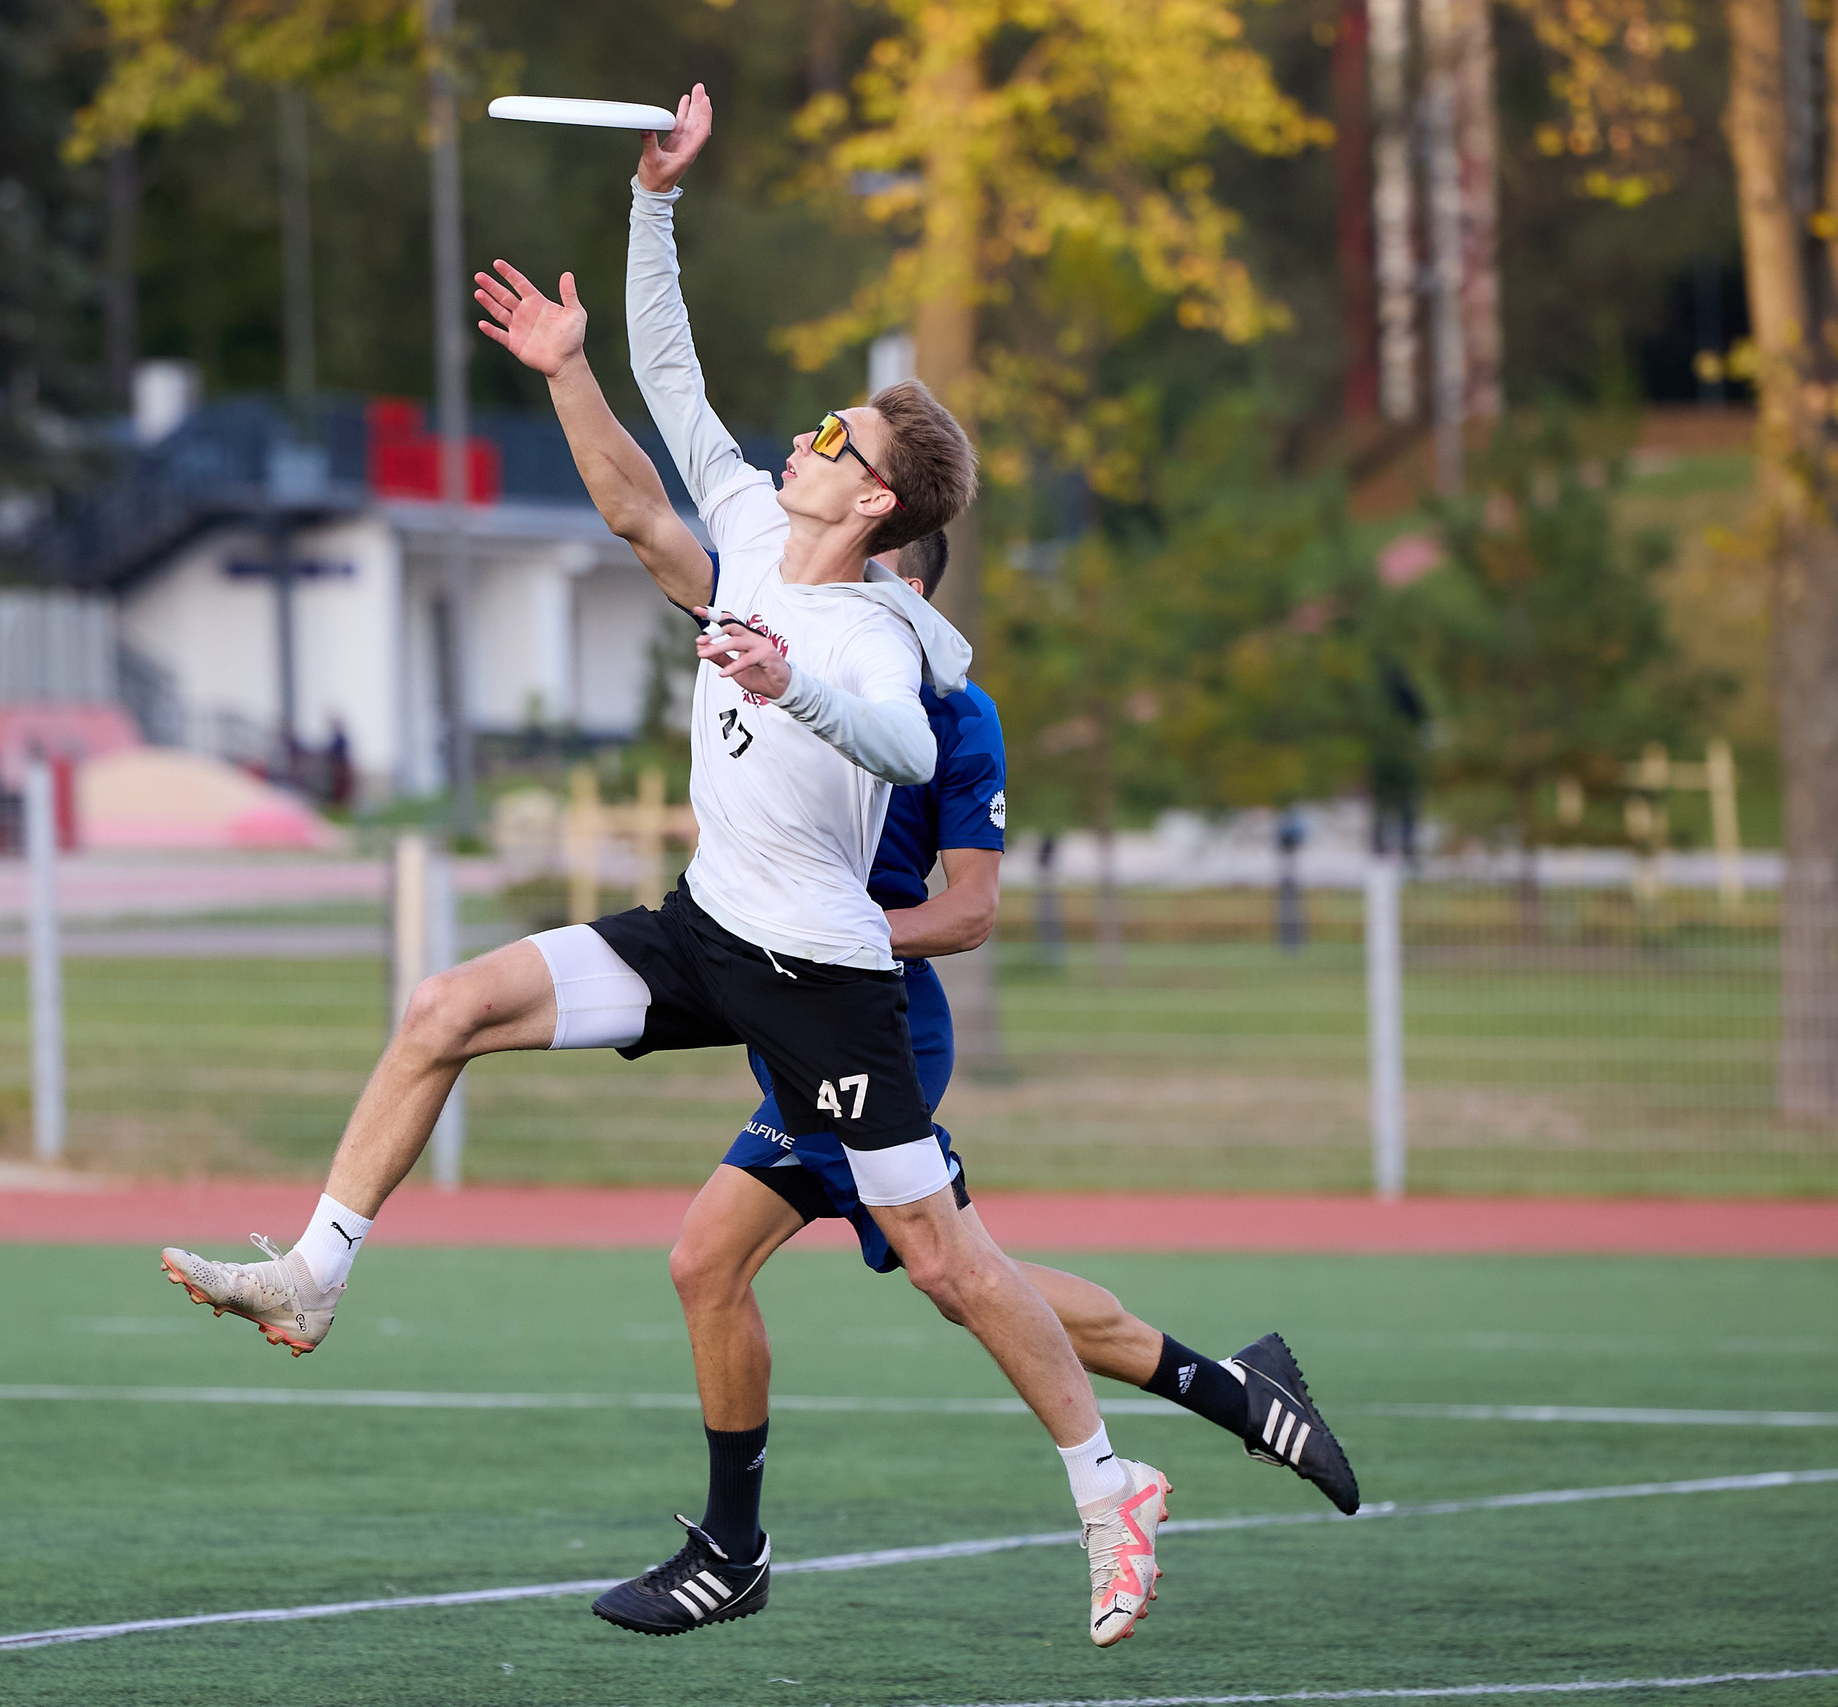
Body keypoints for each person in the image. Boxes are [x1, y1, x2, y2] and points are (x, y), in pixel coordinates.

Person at [163, 176, 1167, 1656]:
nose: (807, 441)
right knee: (446, 1007)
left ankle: (1107, 1486)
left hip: (822, 982)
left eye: (838, 441)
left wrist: (788, 682)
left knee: (948, 1263)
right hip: (703, 936)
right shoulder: (753, 526)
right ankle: (314, 1276)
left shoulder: (877, 637)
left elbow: (900, 746)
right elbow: (669, 391)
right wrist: (646, 220)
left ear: (873, 504)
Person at [620, 84, 1356, 1645]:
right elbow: (659, 488)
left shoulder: (932, 702)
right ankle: (1233, 1392)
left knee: (954, 1270)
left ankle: (1140, 1447)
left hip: (857, 1002)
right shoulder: (781, 592)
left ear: (896, 560)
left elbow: (962, 910)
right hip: (790, 988)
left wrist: (808, 948)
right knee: (833, 1261)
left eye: (861, 532)